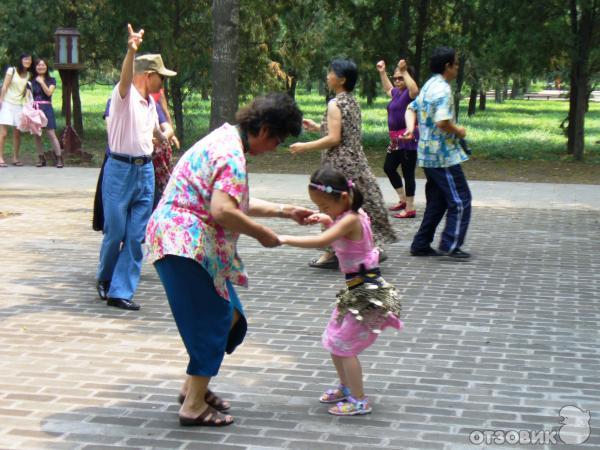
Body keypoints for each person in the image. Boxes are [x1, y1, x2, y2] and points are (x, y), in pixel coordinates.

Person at [145, 93, 313, 427]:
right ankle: (192, 405)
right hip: (183, 243)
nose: (276, 147)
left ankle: (191, 388)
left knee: (231, 317)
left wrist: (284, 210)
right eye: (278, 140)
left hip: (189, 242)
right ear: (264, 130)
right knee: (215, 321)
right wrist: (261, 233)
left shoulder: (227, 138)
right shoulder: (231, 152)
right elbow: (222, 210)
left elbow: (232, 199)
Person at [278, 166, 402, 416]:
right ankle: (346, 387)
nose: (322, 211)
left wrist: (283, 238)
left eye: (324, 206)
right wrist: (325, 217)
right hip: (357, 291)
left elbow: (323, 242)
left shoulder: (349, 219)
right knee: (335, 340)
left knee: (345, 346)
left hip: (366, 293)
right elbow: (336, 224)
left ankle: (359, 400)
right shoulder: (352, 213)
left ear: (343, 198)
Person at [95, 24, 176, 310]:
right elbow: (125, 79)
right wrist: (131, 50)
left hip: (145, 171)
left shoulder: (150, 104)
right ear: (148, 75)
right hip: (119, 171)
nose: (162, 84)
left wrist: (164, 137)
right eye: (160, 78)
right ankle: (105, 278)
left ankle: (120, 291)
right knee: (115, 231)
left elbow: (153, 131)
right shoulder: (124, 98)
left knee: (135, 236)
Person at [290, 58, 396, 269]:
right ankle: (368, 245)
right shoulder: (351, 101)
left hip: (338, 163)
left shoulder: (334, 103)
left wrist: (305, 146)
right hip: (357, 160)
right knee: (357, 204)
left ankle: (330, 254)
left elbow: (334, 139)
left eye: (330, 72)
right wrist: (318, 127)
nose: (327, 76)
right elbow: (342, 131)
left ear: (341, 79)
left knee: (330, 205)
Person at [404, 47, 472, 259]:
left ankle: (421, 244)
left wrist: (409, 128)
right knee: (460, 200)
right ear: (447, 66)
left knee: (438, 201)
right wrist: (459, 130)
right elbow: (442, 122)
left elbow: (411, 107)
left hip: (426, 155)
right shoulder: (441, 89)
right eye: (456, 64)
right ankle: (451, 245)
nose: (457, 68)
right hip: (443, 157)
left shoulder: (429, 85)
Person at [376, 59, 419, 218]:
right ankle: (402, 199)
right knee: (389, 167)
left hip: (408, 139)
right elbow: (388, 88)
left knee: (408, 173)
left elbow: (415, 89)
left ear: (408, 77)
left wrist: (404, 70)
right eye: (396, 78)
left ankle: (410, 208)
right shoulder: (397, 93)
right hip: (395, 140)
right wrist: (382, 72)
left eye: (401, 78)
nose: (397, 81)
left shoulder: (410, 94)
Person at [0, 53, 33, 167]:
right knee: (3, 133)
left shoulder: (29, 74)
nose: (27, 61)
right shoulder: (12, 70)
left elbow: (27, 90)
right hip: (7, 103)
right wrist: (1, 100)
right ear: (21, 60)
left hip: (19, 106)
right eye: (25, 59)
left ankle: (15, 158)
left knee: (17, 134)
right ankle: (0, 158)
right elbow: (5, 86)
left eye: (29, 60)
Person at [30, 58, 64, 168]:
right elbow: (28, 95)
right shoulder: (31, 81)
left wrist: (41, 82)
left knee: (51, 133)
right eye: (38, 65)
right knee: (37, 135)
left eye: (43, 65)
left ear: (46, 67)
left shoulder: (51, 80)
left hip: (47, 108)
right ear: (35, 67)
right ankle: (41, 158)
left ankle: (59, 158)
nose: (41, 67)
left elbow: (49, 93)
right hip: (34, 109)